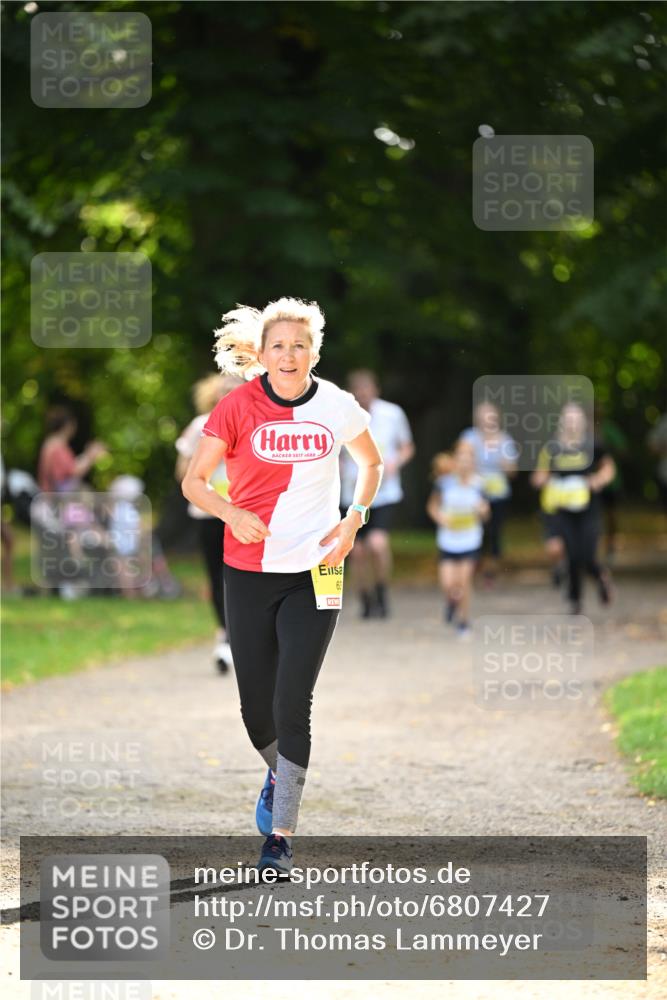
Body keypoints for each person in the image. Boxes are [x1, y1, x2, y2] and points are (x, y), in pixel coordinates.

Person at [182, 297, 383, 876]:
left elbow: (370, 466)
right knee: (256, 713)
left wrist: (355, 518)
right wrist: (230, 513)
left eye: (300, 345)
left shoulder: (337, 406)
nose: (290, 355)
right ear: (262, 354)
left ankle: (281, 840)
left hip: (317, 569)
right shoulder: (236, 406)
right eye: (279, 346)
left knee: (294, 702)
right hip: (248, 570)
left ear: (314, 351)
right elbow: (195, 483)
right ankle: (279, 773)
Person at [176, 374, 242, 673]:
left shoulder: (254, 422)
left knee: (242, 577)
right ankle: (226, 635)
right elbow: (182, 473)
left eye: (234, 389)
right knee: (217, 577)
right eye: (222, 390)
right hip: (208, 513)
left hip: (245, 514)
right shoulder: (200, 426)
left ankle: (243, 636)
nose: (227, 395)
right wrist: (206, 461)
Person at [339, 370, 414, 618]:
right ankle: (365, 596)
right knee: (357, 551)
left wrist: (394, 463)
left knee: (377, 544)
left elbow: (407, 447)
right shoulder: (342, 414)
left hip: (384, 492)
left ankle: (382, 590)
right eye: (357, 389)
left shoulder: (392, 414)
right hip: (351, 493)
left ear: (376, 389)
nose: (362, 393)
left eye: (366, 388)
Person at [533, 402, 615, 614]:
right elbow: (539, 474)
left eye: (575, 419)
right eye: (567, 419)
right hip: (562, 509)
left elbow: (608, 467)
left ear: (582, 422)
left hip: (588, 509)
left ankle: (601, 577)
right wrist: (542, 481)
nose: (571, 423)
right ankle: (575, 600)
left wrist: (598, 480)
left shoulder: (592, 444)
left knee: (587, 554)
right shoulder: (551, 447)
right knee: (571, 554)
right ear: (561, 421)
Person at [426, 441, 489, 641]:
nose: (464, 463)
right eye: (461, 459)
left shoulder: (479, 484)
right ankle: (452, 603)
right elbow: (432, 506)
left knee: (463, 582)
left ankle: (463, 621)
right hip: (448, 541)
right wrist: (441, 518)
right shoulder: (444, 483)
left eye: (468, 459)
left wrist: (483, 511)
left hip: (470, 539)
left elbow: (487, 513)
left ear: (473, 462)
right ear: (455, 461)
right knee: (448, 584)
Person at [460, 402, 518, 584]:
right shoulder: (469, 437)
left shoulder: (505, 440)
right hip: (474, 492)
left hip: (498, 494)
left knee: (494, 532)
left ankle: (490, 572)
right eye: (483, 416)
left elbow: (513, 471)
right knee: (474, 530)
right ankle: (472, 567)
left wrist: (504, 464)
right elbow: (460, 460)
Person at [37, 405, 107, 492]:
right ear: (68, 425)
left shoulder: (50, 443)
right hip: (55, 497)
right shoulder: (57, 445)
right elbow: (74, 471)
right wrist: (91, 455)